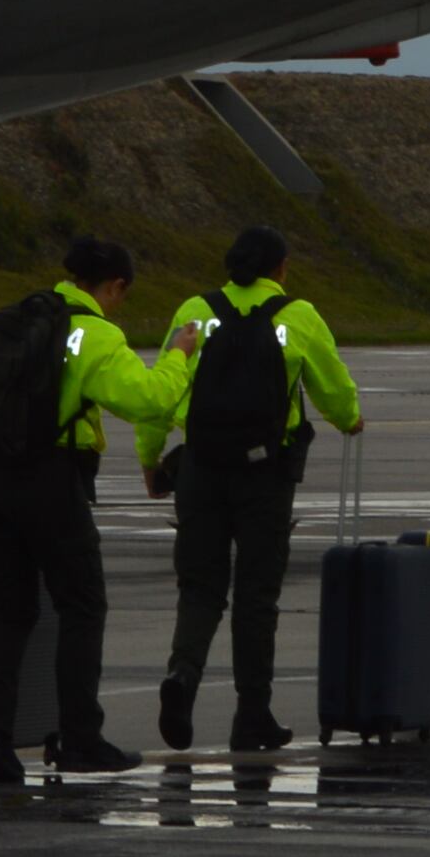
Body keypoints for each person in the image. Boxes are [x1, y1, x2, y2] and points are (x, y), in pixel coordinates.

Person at [143, 225, 360, 754]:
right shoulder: (298, 316)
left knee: (200, 587)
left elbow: (163, 391)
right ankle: (252, 714)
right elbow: (334, 390)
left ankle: (183, 676)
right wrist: (350, 417)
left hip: (200, 468)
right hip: (265, 474)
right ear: (280, 269)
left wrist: (152, 459)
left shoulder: (196, 310)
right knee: (257, 597)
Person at [0, 236, 178, 785]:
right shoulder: (95, 334)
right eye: (122, 295)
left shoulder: (19, 317)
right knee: (82, 605)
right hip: (51, 481)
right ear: (114, 286)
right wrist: (180, 356)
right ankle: (79, 737)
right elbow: (149, 400)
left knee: (6, 612)